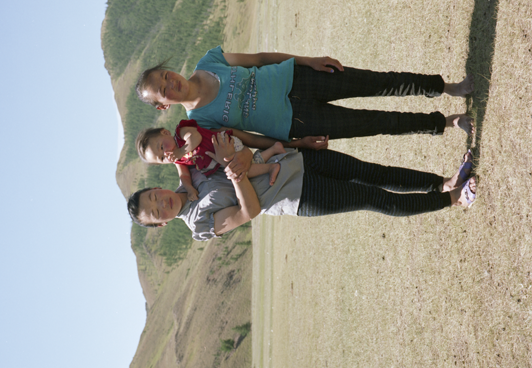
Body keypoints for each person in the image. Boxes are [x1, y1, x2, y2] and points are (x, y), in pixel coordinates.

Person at [135, 49, 474, 168]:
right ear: (163, 105)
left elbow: (261, 58)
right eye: (163, 90)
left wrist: (308, 60)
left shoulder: (209, 61)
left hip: (300, 78)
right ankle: (446, 122)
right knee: (376, 123)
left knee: (377, 82)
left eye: (165, 75)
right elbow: (247, 138)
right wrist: (297, 144)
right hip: (297, 121)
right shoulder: (200, 121)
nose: (170, 82)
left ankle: (446, 87)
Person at [127, 133, 476, 239]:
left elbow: (226, 145)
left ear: (156, 188)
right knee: (374, 198)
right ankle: (454, 200)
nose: (161, 203)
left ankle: (444, 182)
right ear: (160, 224)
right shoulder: (200, 225)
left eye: (154, 197)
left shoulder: (190, 173)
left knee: (374, 172)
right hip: (298, 195)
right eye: (155, 213)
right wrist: (233, 172)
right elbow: (249, 212)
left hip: (295, 160)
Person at [135, 121, 284, 201]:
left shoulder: (181, 133)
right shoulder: (178, 161)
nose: (166, 153)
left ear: (166, 132)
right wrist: (189, 188)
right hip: (223, 158)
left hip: (226, 144)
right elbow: (184, 175)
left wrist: (181, 151)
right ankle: (273, 149)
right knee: (245, 168)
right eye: (162, 158)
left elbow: (195, 137)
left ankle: (271, 167)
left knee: (240, 171)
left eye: (162, 147)